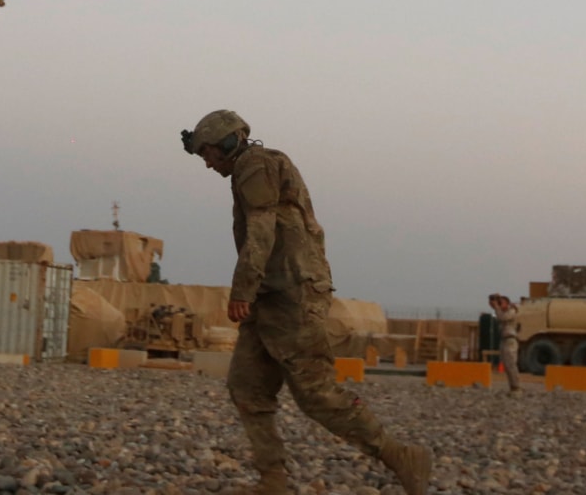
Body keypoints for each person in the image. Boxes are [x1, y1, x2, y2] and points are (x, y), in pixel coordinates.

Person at [181, 110, 431, 495]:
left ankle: (400, 457)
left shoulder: (256, 166)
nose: (208, 163)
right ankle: (272, 480)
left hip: (292, 294)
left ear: (228, 144)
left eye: (209, 153)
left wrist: (241, 290)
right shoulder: (253, 167)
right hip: (270, 294)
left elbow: (261, 232)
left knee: (316, 393)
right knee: (247, 387)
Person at [489, 293, 522, 391]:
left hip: (510, 340)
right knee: (507, 365)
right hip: (504, 340)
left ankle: (516, 387)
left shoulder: (512, 311)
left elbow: (503, 317)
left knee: (511, 364)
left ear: (507, 303)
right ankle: (512, 387)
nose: (499, 305)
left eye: (501, 303)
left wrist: (496, 307)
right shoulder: (502, 312)